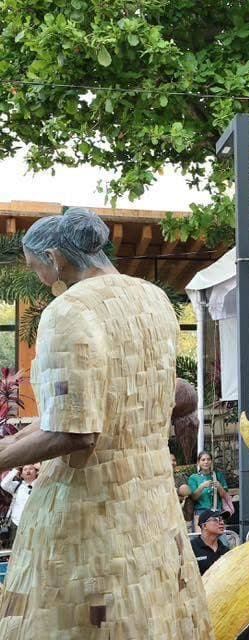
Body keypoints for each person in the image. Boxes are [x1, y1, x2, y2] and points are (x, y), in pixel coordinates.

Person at [0, 207, 211, 637]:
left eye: (35, 265)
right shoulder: (156, 302)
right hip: (152, 507)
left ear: (56, 257)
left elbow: (76, 430)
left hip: (88, 516)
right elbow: (147, 395)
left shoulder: (67, 311)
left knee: (88, 622)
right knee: (152, 614)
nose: (38, 275)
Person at [0, 464, 39, 545]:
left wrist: (41, 468)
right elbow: (4, 484)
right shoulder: (17, 486)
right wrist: (16, 468)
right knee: (14, 548)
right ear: (21, 474)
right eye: (25, 469)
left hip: (36, 523)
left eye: (31, 469)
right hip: (17, 523)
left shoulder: (41, 485)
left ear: (36, 472)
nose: (28, 471)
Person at [188, 450, 233, 515]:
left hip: (217, 512)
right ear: (198, 462)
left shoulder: (218, 475)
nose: (206, 462)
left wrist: (219, 487)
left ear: (211, 461)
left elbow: (224, 495)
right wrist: (202, 487)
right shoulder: (193, 478)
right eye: (203, 460)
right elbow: (193, 497)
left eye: (208, 459)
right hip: (201, 513)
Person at [190, 509, 232, 575]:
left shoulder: (225, 551)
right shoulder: (191, 548)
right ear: (204, 526)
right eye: (216, 520)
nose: (222, 523)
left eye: (222, 519)